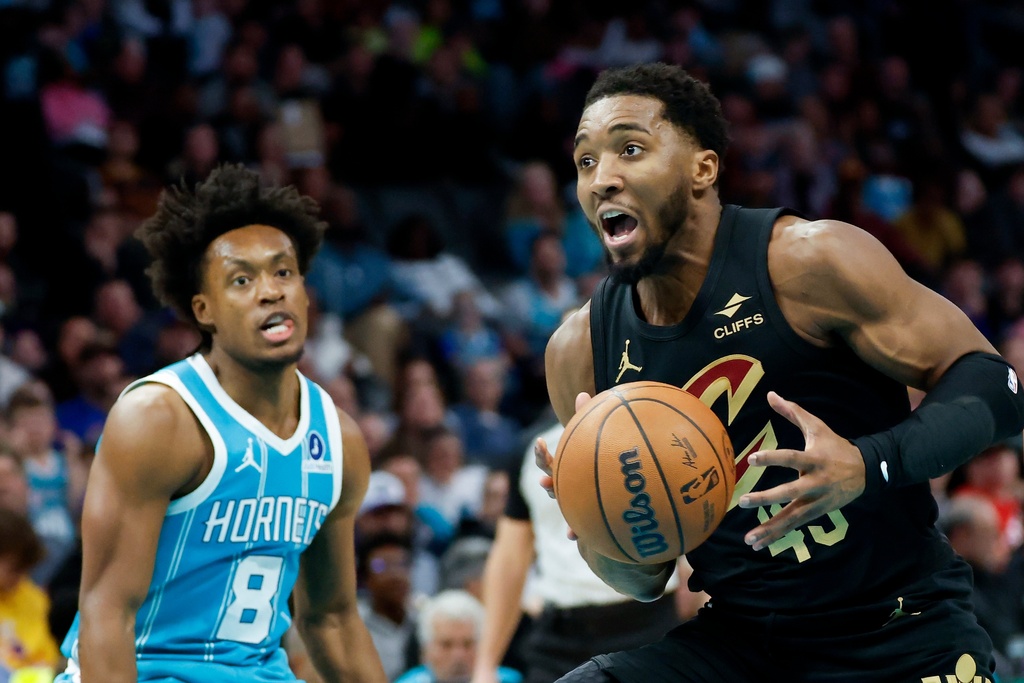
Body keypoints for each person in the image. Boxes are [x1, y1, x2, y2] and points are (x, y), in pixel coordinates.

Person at [537, 62, 1024, 682]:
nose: (602, 178)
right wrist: (597, 520)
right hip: (745, 646)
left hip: (898, 630)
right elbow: (643, 581)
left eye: (629, 149)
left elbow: (996, 383)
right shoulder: (579, 352)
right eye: (585, 162)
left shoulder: (807, 262)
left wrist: (870, 461)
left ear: (702, 168)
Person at [54, 163, 387, 682]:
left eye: (283, 272)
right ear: (203, 309)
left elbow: (333, 619)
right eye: (242, 279)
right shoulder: (159, 418)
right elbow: (106, 613)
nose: (271, 291)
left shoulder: (338, 438)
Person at [471, 421, 685, 683]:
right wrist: (485, 665)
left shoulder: (653, 425)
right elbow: (510, 558)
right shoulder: (533, 444)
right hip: (559, 634)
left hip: (646, 625)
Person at [395, 590, 522, 683]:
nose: (458, 655)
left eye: (468, 644)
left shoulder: (509, 680)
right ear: (426, 650)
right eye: (446, 645)